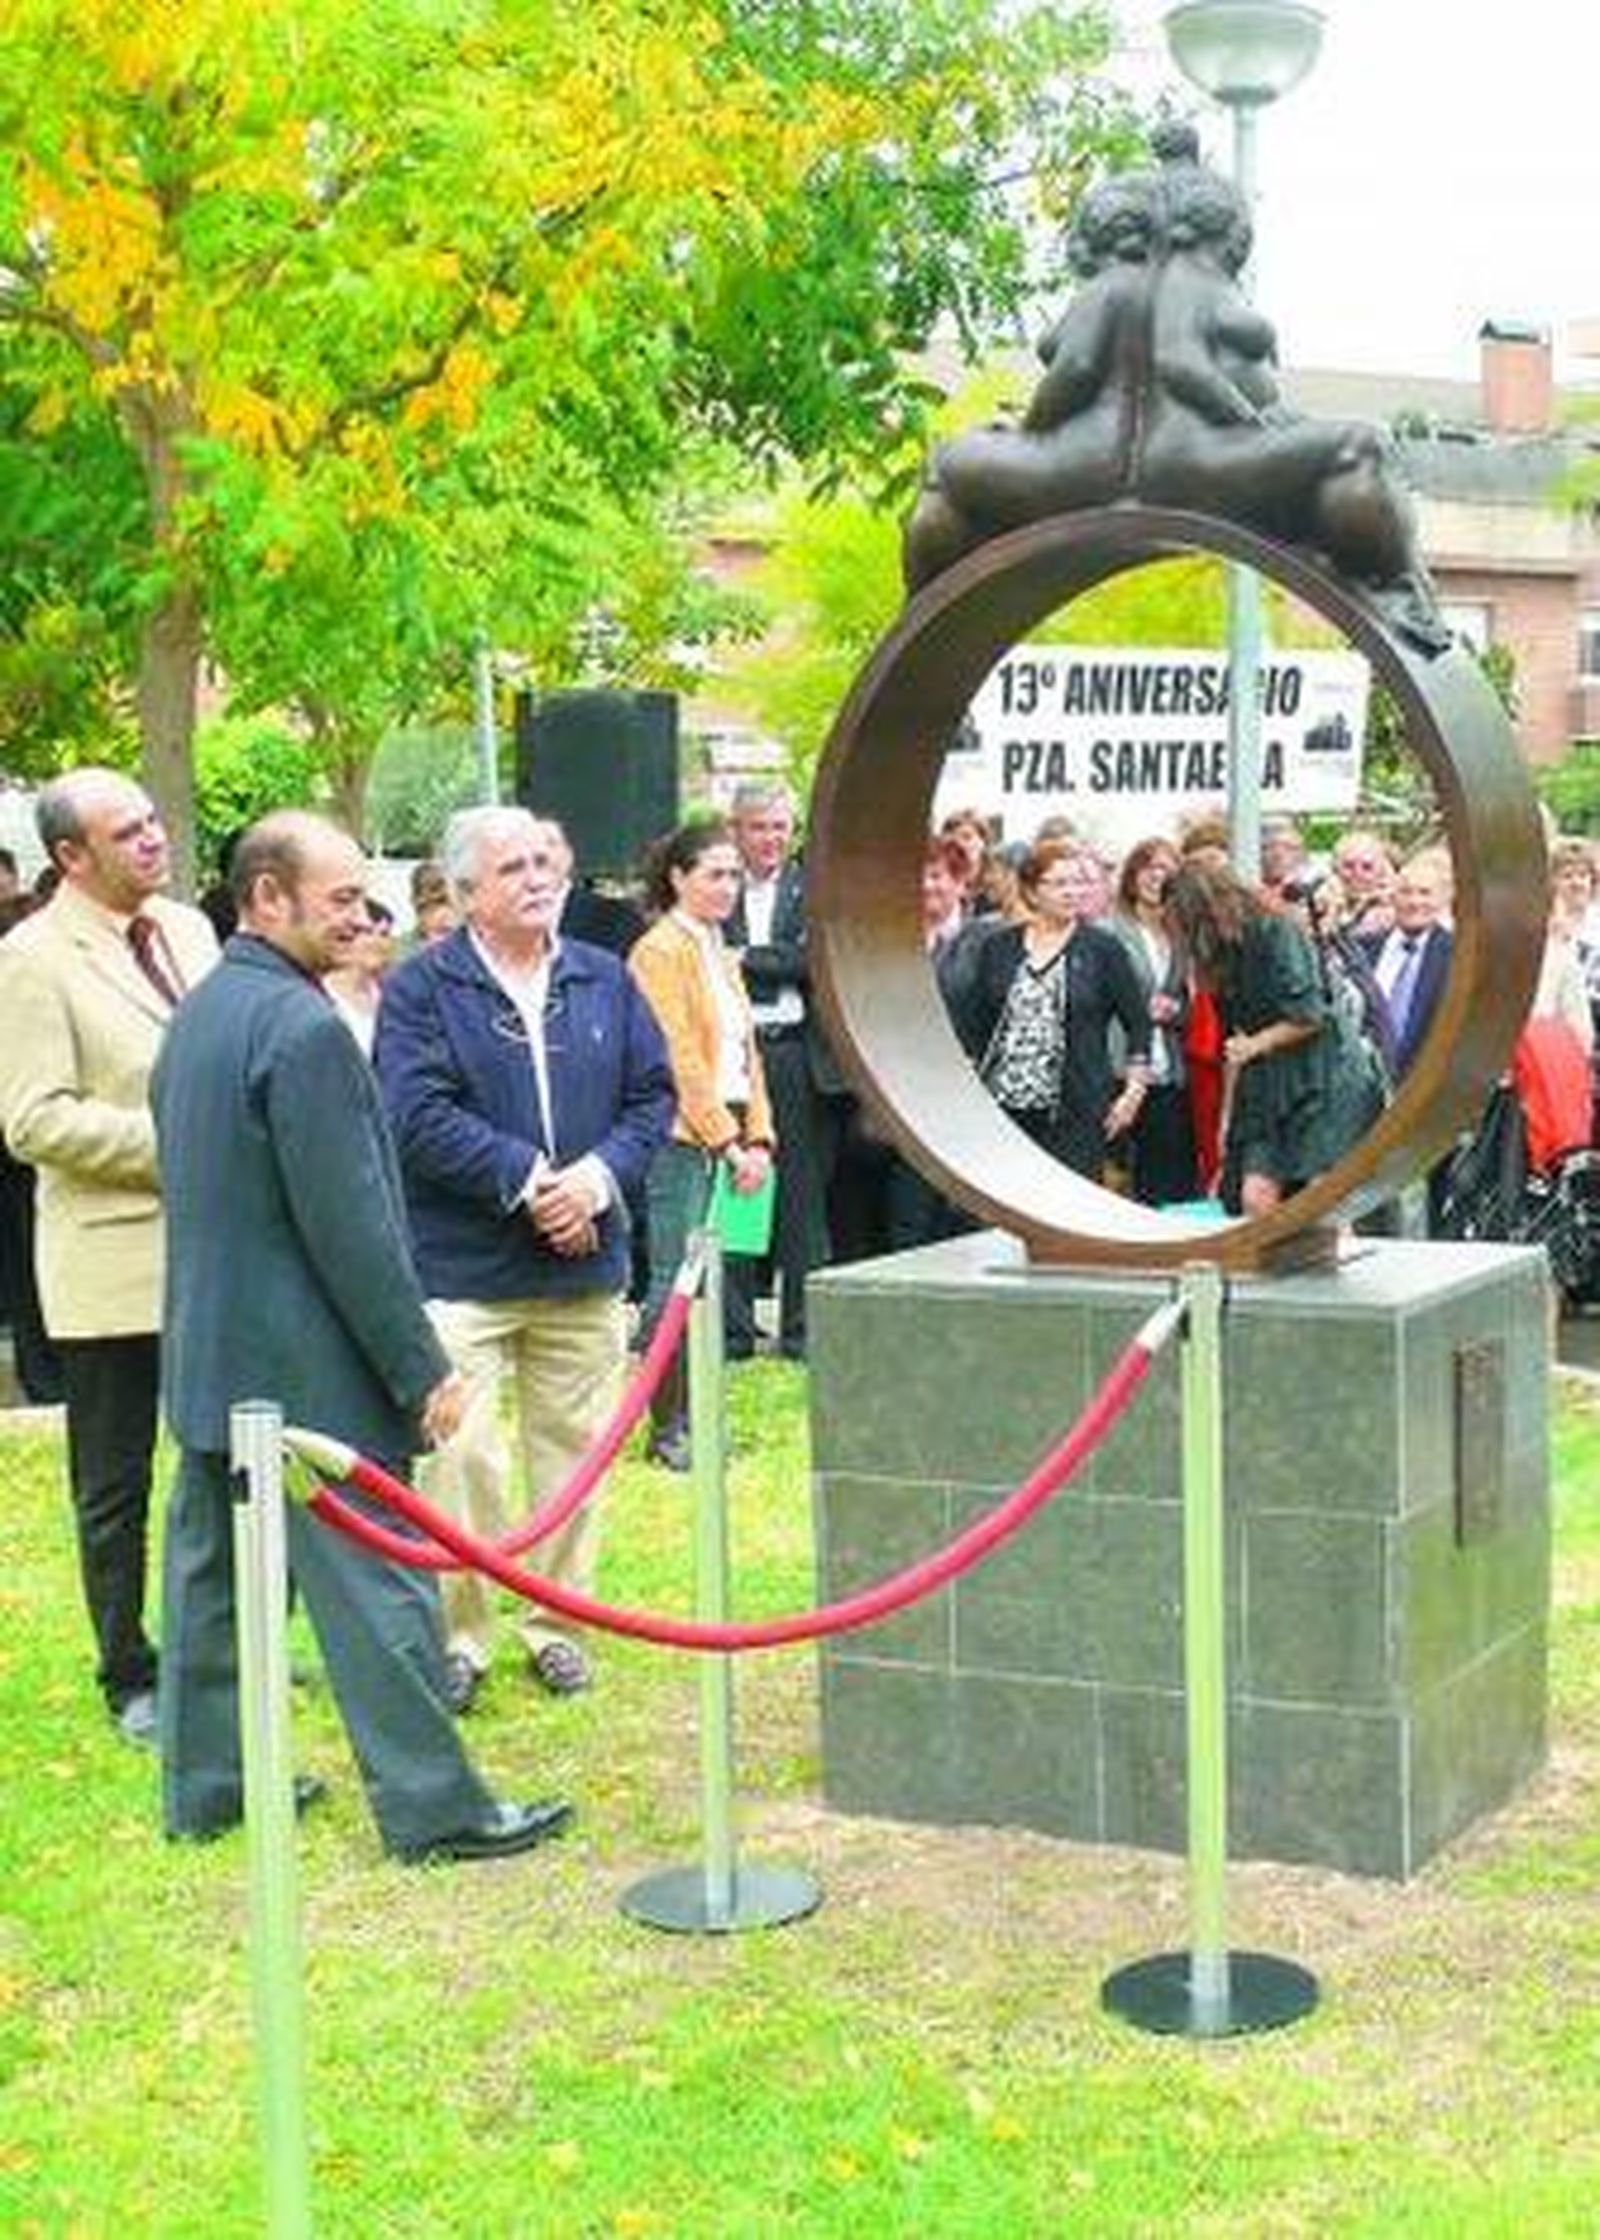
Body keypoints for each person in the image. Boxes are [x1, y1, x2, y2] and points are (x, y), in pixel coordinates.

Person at [152, 810, 571, 1861]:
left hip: (212, 1358)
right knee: (382, 1589)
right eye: (338, 897)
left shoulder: (202, 1012)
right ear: (265, 898)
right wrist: (417, 1366)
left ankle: (209, 1787)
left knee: (211, 1590)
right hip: (309, 1378)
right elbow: (353, 1226)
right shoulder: (303, 1030)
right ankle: (438, 1809)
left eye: (363, 894)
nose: (364, 914)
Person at [374, 808, 673, 1712]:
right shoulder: (423, 988)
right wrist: (531, 1182)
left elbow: (651, 1097)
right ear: (466, 894)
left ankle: (558, 1626)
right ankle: (462, 1637)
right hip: (462, 1267)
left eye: (547, 860)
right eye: (513, 867)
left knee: (572, 1456)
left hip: (583, 1266)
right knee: (462, 1458)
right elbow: (415, 1114)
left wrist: (593, 1183)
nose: (539, 878)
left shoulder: (604, 979)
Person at [0, 769, 217, 1746]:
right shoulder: (32, 959)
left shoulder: (191, 930)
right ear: (69, 857)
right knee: (116, 1481)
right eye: (125, 831)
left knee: (224, 1458)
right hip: (112, 1264)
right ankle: (127, 1667)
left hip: (220, 1254)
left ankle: (213, 1643)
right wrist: (184, 1143)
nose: (153, 838)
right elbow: (31, 1117)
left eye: (152, 821)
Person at [629, 822, 774, 1469]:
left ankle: (700, 1418)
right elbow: (677, 1058)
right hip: (683, 1135)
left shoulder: (716, 944)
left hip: (732, 1127)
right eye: (714, 873)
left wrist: (760, 1135)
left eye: (733, 874)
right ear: (678, 878)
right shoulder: (660, 950)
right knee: (674, 1279)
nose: (726, 886)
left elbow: (747, 1049)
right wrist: (725, 1140)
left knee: (714, 1277)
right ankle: (668, 1429)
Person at [1166, 858, 1368, 1216]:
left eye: (1179, 921)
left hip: (1321, 1074)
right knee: (1255, 1195)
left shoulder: (1275, 930)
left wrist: (1256, 1044)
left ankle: (1330, 1262)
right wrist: (1226, 1120)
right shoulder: (1216, 955)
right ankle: (1270, 1267)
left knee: (1321, 1198)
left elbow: (1309, 1016)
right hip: (1266, 1076)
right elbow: (1233, 1044)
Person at [952, 838, 1151, 1181]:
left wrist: (1134, 1089)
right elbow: (975, 1025)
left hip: (1077, 1109)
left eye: (1077, 882)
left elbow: (1138, 1023)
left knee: (1071, 1210)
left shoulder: (1103, 949)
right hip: (1004, 1110)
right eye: (1060, 883)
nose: (1072, 892)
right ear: (1031, 890)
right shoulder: (997, 948)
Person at [723, 782, 829, 1362]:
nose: (771, 839)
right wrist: (771, 962)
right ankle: (737, 1331)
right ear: (735, 829)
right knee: (739, 1189)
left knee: (801, 1198)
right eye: (759, 827)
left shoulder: (810, 887)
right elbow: (708, 955)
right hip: (735, 1058)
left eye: (780, 828)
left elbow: (815, 959)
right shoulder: (713, 883)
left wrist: (746, 959)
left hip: (793, 1056)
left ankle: (803, 1331)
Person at [1109, 837, 1196, 1205]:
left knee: (1167, 1179)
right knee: (1117, 1177)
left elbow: (1199, 1007)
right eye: (1149, 868)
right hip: (1119, 1068)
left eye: (1166, 870)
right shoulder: (1108, 930)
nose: (1157, 877)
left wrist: (1176, 1012)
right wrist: (1136, 1006)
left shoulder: (1184, 936)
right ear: (1132, 875)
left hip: (1171, 1072)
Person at [324, 895, 395, 1056]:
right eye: (369, 932)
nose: (377, 942)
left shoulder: (391, 993)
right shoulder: (323, 995)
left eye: (384, 934)